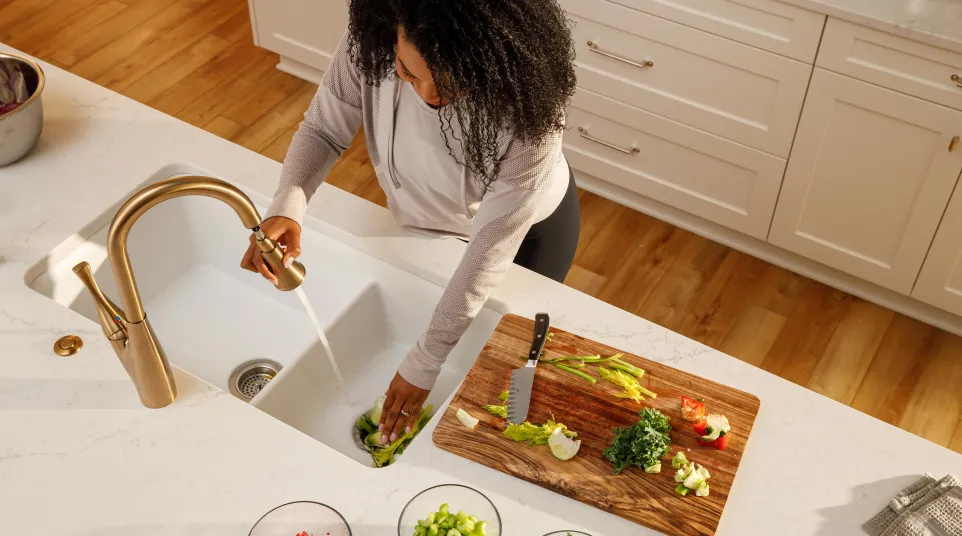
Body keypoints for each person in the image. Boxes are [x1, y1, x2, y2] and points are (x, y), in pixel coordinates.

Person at [240, 0, 579, 447]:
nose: (428, 96)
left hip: (527, 235)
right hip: (426, 223)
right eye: (408, 71)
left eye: (455, 86)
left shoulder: (532, 122)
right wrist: (286, 204)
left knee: (505, 362)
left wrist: (424, 363)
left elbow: (487, 253)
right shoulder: (372, 42)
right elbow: (324, 128)